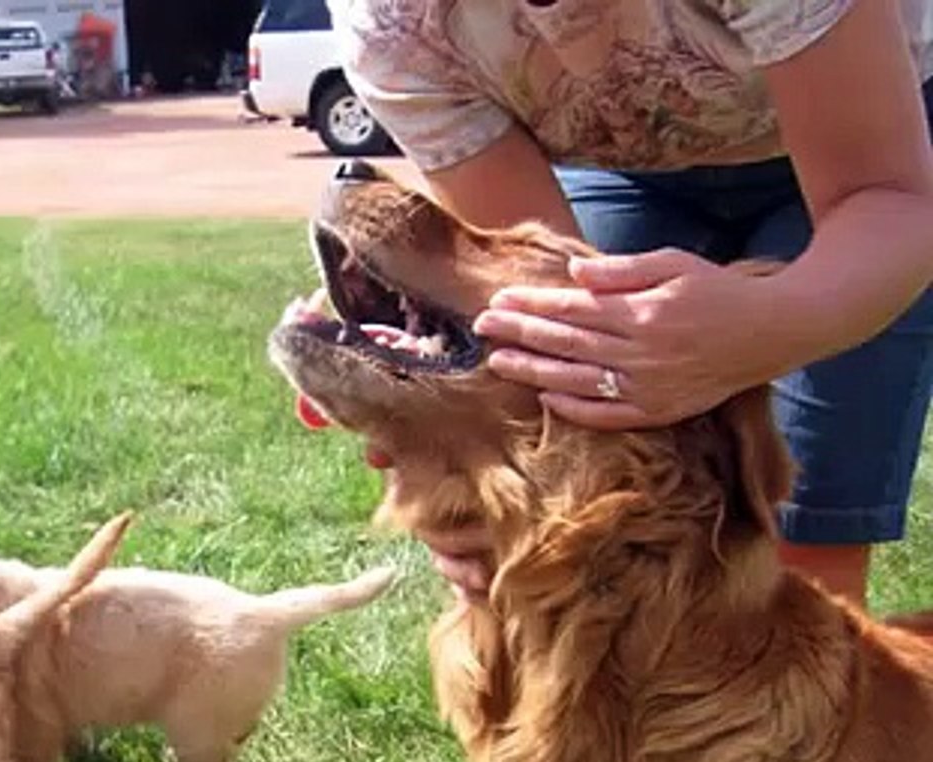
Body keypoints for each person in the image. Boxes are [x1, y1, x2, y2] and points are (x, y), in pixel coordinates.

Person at [335, 0, 933, 606]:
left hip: (873, 137)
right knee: (589, 483)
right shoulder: (395, 24)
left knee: (806, 522)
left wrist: (770, 328)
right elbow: (533, 307)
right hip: (620, 167)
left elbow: (886, 197)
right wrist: (463, 455)